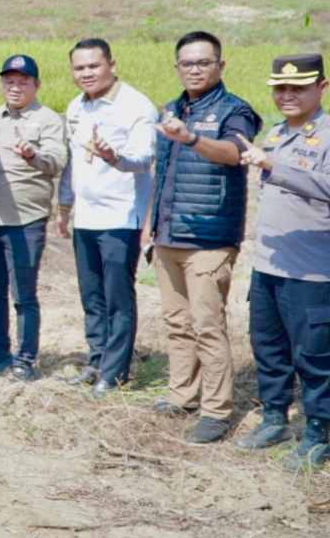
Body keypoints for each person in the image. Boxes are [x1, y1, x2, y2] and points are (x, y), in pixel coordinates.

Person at [148, 31, 259, 444]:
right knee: (177, 322)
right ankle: (183, 395)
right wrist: (151, 229)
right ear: (177, 67)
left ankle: (216, 411)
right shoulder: (174, 108)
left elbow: (236, 154)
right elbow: (163, 177)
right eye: (187, 63)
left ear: (220, 66)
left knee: (207, 325)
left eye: (203, 62)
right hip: (169, 236)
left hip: (210, 239)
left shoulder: (235, 111)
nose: (194, 69)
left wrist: (191, 137)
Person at [234, 53, 330, 473]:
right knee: (268, 348)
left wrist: (275, 165)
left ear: (322, 88)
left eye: (298, 87)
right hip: (269, 264)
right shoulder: (274, 134)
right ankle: (274, 416)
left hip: (311, 270)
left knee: (313, 355)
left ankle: (317, 432)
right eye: (280, 88)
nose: (287, 95)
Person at [57, 38, 156, 395]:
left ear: (112, 64)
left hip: (120, 217)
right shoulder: (76, 107)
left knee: (117, 297)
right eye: (79, 68)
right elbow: (71, 163)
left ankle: (114, 374)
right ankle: (96, 360)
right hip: (86, 216)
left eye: (93, 66)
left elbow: (144, 158)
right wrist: (64, 207)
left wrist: (113, 155)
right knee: (92, 295)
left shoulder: (135, 105)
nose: (86, 74)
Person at [0, 55, 68, 383]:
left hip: (27, 220)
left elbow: (57, 163)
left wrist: (31, 154)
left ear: (36, 85)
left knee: (24, 294)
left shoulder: (46, 119)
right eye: (9, 81)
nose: (15, 87)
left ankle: (26, 358)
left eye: (23, 81)